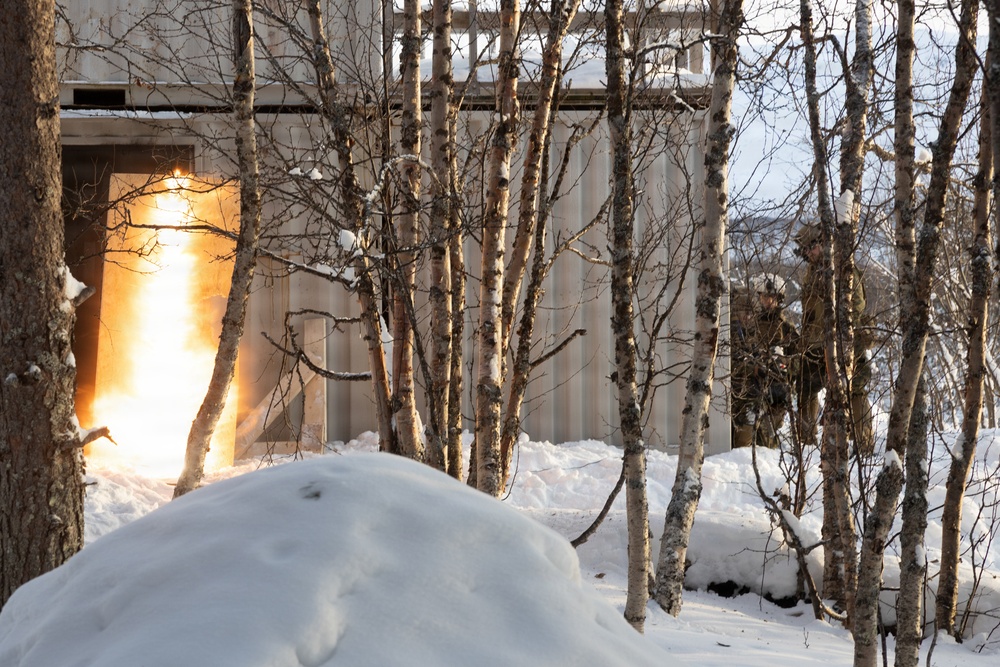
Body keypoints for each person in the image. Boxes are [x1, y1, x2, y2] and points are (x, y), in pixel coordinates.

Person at [794, 224, 874, 454]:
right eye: (805, 250)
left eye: (811, 248)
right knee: (805, 387)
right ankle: (805, 445)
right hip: (815, 343)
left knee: (854, 389)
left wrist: (842, 335)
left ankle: (864, 445)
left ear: (822, 244)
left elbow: (857, 306)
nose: (808, 254)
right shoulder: (812, 271)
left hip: (844, 342)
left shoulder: (842, 267)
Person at [730, 275, 798, 449]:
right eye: (764, 297)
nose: (768, 301)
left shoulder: (786, 328)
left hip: (773, 395)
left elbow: (797, 361)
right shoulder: (749, 326)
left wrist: (784, 370)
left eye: (772, 297)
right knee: (746, 440)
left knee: (767, 442)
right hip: (748, 392)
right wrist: (754, 368)